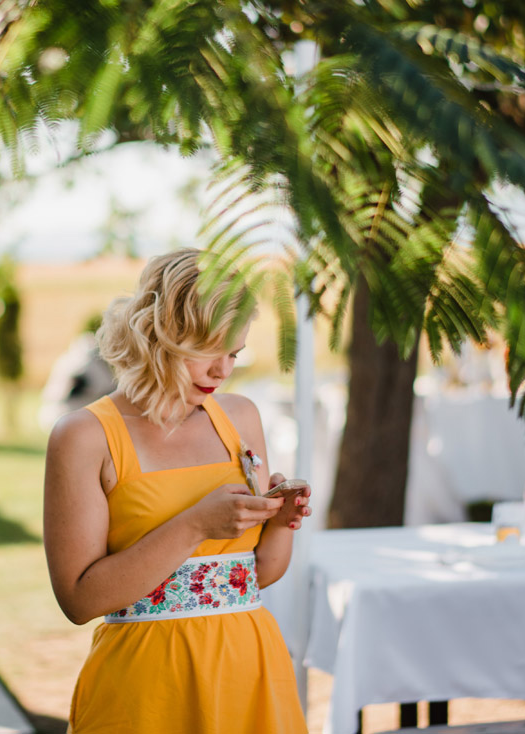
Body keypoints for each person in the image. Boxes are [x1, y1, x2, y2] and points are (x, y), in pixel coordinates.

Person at [44, 248, 310, 732]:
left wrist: (281, 520)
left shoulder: (241, 418)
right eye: (208, 351)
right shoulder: (84, 436)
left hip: (249, 669)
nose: (222, 371)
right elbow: (79, 601)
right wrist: (195, 525)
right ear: (158, 336)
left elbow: (261, 574)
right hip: (145, 688)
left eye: (234, 353)